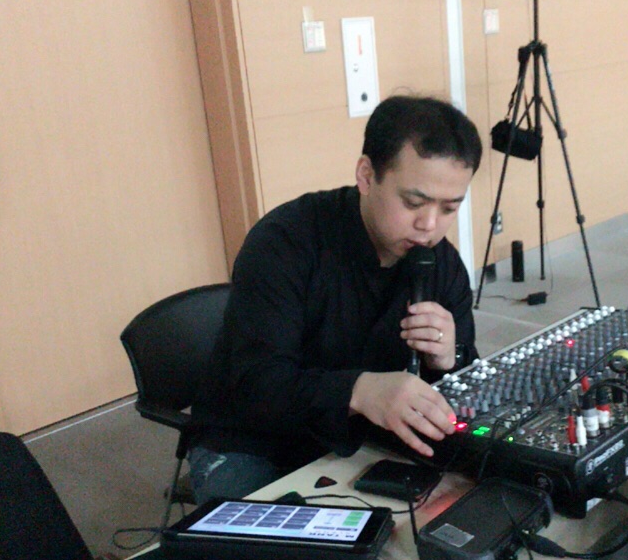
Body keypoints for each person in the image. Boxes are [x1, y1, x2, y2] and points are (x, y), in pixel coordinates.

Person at [188, 95, 482, 503]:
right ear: (366, 175)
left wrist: (451, 357)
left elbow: (466, 384)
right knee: (292, 546)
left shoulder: (441, 262)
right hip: (254, 441)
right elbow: (258, 385)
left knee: (470, 508)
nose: (429, 225)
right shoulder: (284, 243)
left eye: (449, 208)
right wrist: (359, 391)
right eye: (413, 202)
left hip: (366, 439)